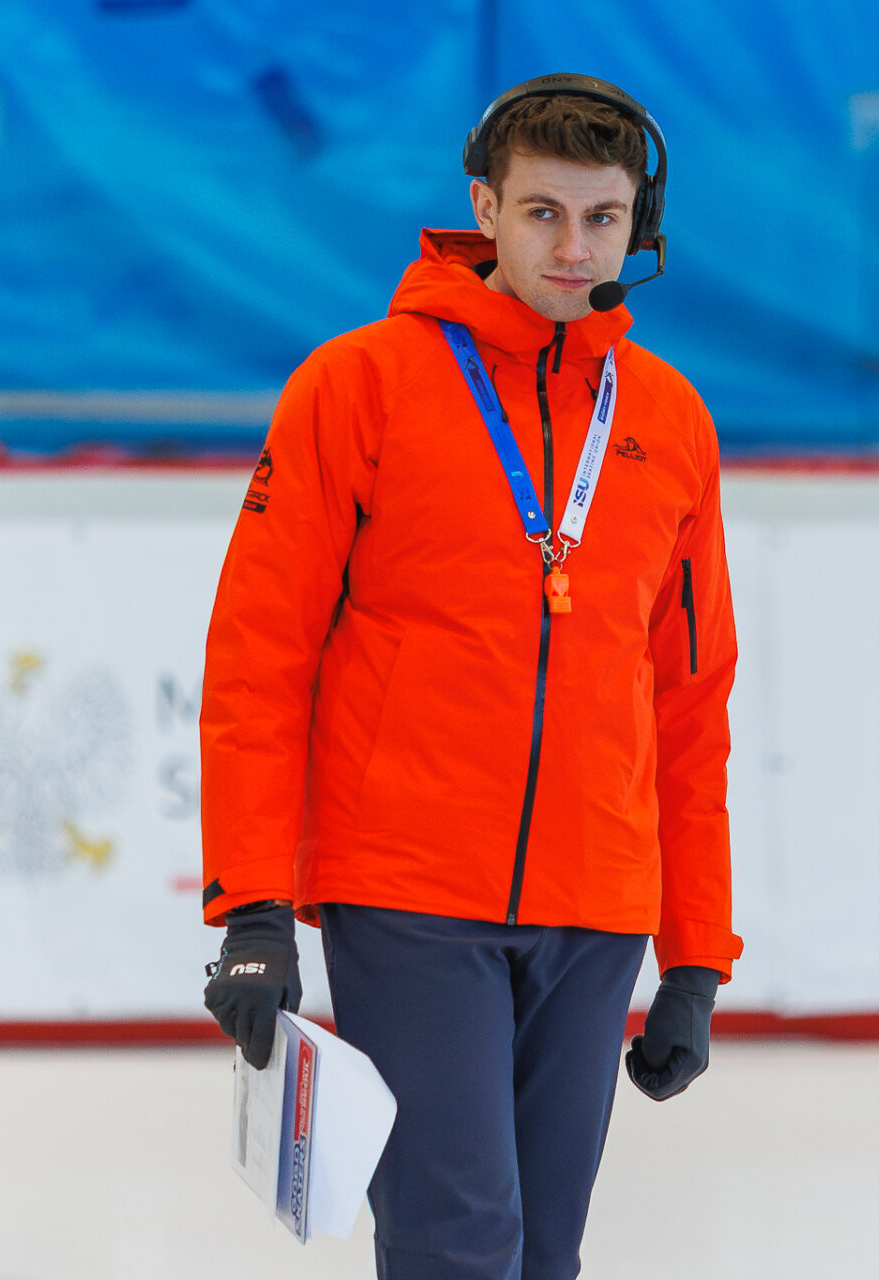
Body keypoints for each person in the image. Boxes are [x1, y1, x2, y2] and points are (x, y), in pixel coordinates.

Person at [195, 73, 743, 1280]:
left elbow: (690, 700)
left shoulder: (668, 420)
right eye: (543, 212)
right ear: (485, 208)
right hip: (409, 891)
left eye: (603, 218)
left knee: (545, 1255)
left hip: (598, 903)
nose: (573, 246)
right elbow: (258, 657)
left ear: (638, 227)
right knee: (458, 1241)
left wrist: (696, 952)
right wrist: (254, 906)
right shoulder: (358, 385)